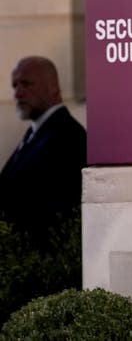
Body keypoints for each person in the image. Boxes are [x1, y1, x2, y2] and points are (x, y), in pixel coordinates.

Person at [0, 56, 87, 243]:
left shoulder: (67, 137)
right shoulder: (36, 133)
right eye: (15, 86)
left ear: (53, 87)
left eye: (26, 83)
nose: (18, 93)